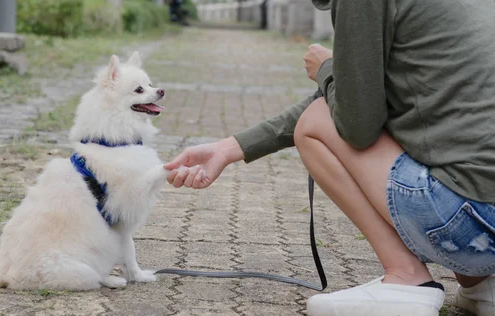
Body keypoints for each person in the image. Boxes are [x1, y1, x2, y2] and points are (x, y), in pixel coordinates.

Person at [163, 0, 495, 315]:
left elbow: (353, 125)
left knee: (313, 125)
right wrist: (227, 148)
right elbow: (350, 99)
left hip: (468, 224)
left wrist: (326, 69)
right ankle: (481, 286)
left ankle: (406, 276)